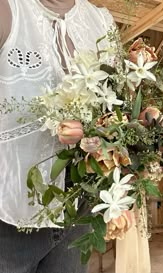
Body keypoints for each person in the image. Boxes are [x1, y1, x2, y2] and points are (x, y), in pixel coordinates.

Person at [0, 0, 114, 272]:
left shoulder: (102, 21)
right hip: (10, 213)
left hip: (79, 208)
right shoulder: (8, 9)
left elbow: (116, 109)